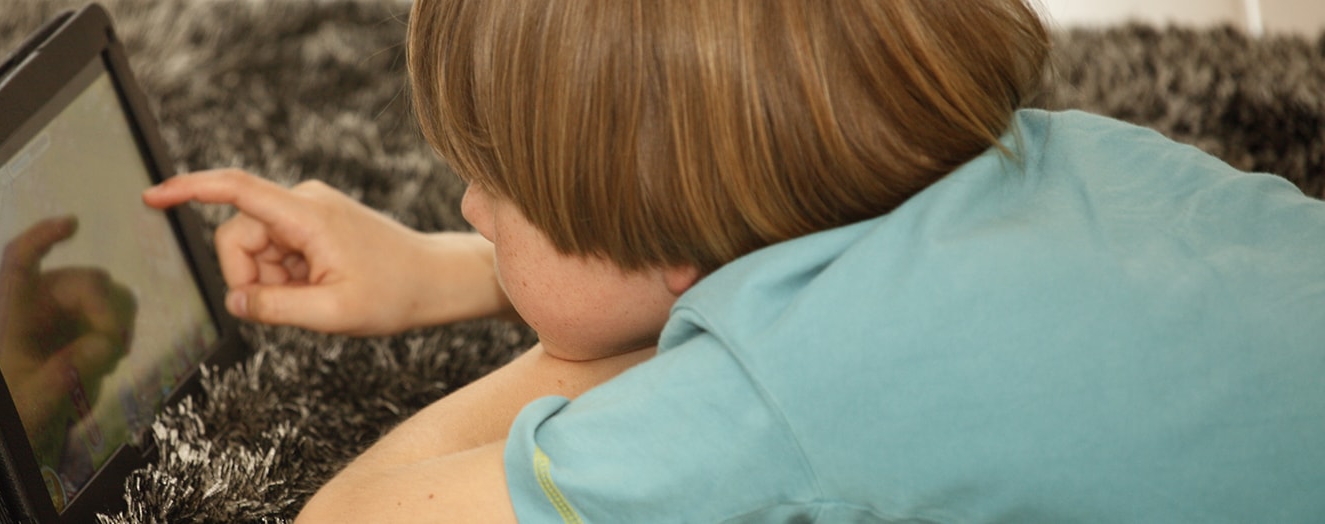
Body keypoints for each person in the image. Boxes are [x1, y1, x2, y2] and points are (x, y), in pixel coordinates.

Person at [143, 0, 1325, 521]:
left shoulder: (789, 392)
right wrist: (461, 269)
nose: (466, 200)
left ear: (671, 254)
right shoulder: (1068, 154)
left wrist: (574, 342)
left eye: (500, 189)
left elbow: (352, 517)